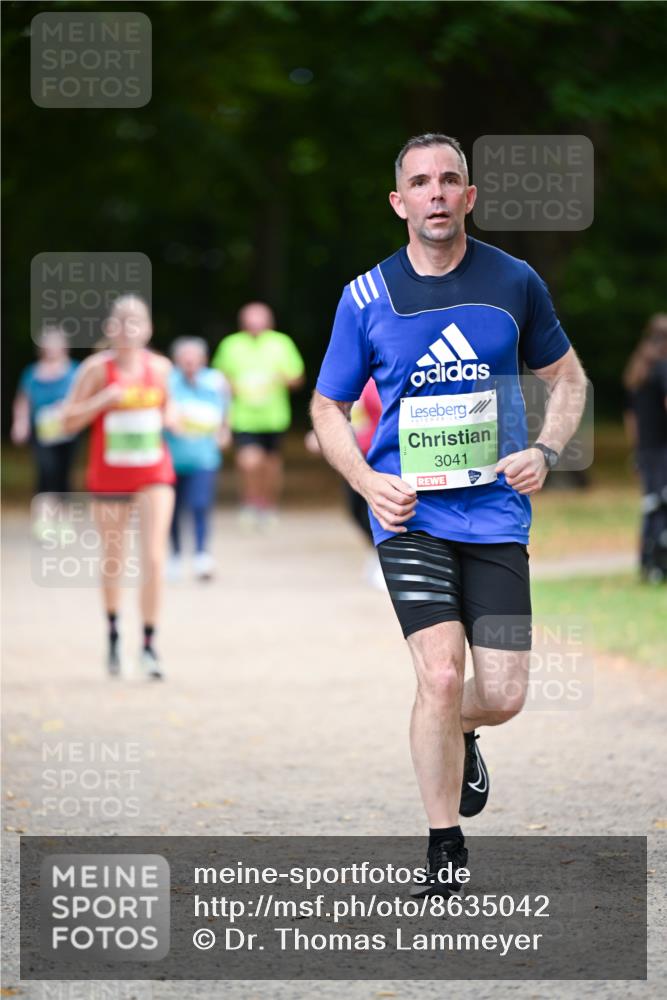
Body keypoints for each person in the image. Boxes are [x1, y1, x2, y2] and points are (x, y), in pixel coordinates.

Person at [311, 134, 587, 896]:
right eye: (419, 183)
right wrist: (368, 481)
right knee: (438, 674)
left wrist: (545, 448)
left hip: (495, 515)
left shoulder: (514, 280)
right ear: (399, 202)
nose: (435, 193)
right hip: (410, 516)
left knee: (500, 694)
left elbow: (566, 379)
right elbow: (327, 405)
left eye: (449, 180)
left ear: (468, 196)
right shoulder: (365, 297)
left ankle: (460, 731)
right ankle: (443, 843)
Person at [62, 295, 175, 680]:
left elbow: (170, 411)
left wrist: (182, 419)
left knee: (155, 558)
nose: (127, 330)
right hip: (109, 478)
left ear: (148, 330)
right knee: (114, 557)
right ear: (109, 329)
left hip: (154, 475)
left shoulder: (160, 367)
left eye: (135, 323)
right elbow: (66, 422)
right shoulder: (96, 369)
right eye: (120, 323)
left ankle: (148, 645)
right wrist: (101, 401)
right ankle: (113, 633)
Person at [212, 301, 305, 527]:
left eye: (259, 319)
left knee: (270, 465)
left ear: (269, 321)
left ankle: (268, 505)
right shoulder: (230, 344)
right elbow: (217, 377)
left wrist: (280, 379)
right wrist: (231, 386)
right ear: (242, 322)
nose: (254, 324)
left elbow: (298, 378)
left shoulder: (282, 343)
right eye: (250, 320)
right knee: (249, 462)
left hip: (274, 417)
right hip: (243, 416)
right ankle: (250, 502)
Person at [306, 378, 384, 587]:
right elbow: (343, 414)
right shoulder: (353, 381)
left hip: (377, 456)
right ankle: (375, 552)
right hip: (354, 455)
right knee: (355, 510)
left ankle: (382, 558)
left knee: (375, 511)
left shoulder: (379, 382)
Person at [165, 337, 230, 581]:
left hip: (204, 457)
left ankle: (202, 554)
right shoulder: (167, 382)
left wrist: (224, 433)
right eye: (185, 357)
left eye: (194, 357)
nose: (190, 362)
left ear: (203, 359)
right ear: (177, 360)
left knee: (200, 504)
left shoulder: (215, 382)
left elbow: (225, 415)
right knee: (171, 509)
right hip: (171, 458)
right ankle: (175, 555)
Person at [11, 326, 79, 538]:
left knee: (64, 475)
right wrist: (20, 423)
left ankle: (64, 521)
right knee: (45, 473)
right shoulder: (32, 372)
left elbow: (82, 396)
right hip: (42, 433)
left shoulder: (74, 370)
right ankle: (43, 520)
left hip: (68, 431)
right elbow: (23, 400)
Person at [623, 313, 667, 582]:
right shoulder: (662, 368)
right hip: (662, 449)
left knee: (650, 506)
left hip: (646, 449)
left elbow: (630, 417)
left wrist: (636, 450)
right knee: (661, 506)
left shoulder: (638, 368)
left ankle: (647, 563)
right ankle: (659, 565)